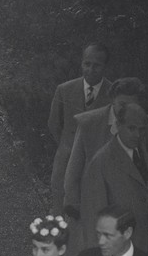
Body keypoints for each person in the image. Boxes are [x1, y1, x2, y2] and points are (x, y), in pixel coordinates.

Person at [62, 78, 148, 256]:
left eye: (133, 104)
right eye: (122, 104)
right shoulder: (89, 124)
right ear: (112, 101)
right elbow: (73, 173)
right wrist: (76, 210)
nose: (126, 110)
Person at [80, 100, 148, 256]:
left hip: (147, 253)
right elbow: (94, 219)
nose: (138, 135)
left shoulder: (143, 154)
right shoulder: (101, 162)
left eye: (142, 130)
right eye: (131, 128)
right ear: (118, 125)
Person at [47, 43, 113, 211]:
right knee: (60, 204)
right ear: (81, 63)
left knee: (89, 207)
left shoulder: (113, 95)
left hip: (96, 163)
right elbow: (54, 124)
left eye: (97, 65)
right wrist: (66, 144)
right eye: (87, 64)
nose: (91, 69)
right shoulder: (64, 90)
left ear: (105, 67)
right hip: (66, 158)